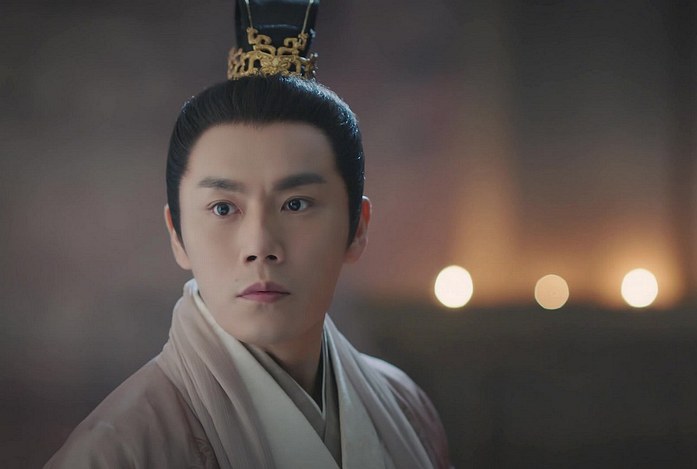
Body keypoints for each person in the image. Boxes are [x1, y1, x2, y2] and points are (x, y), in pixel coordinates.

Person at [46, 1, 451, 467]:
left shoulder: (405, 407)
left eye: (296, 204)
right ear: (177, 234)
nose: (260, 246)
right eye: (223, 208)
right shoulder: (118, 451)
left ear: (357, 228)